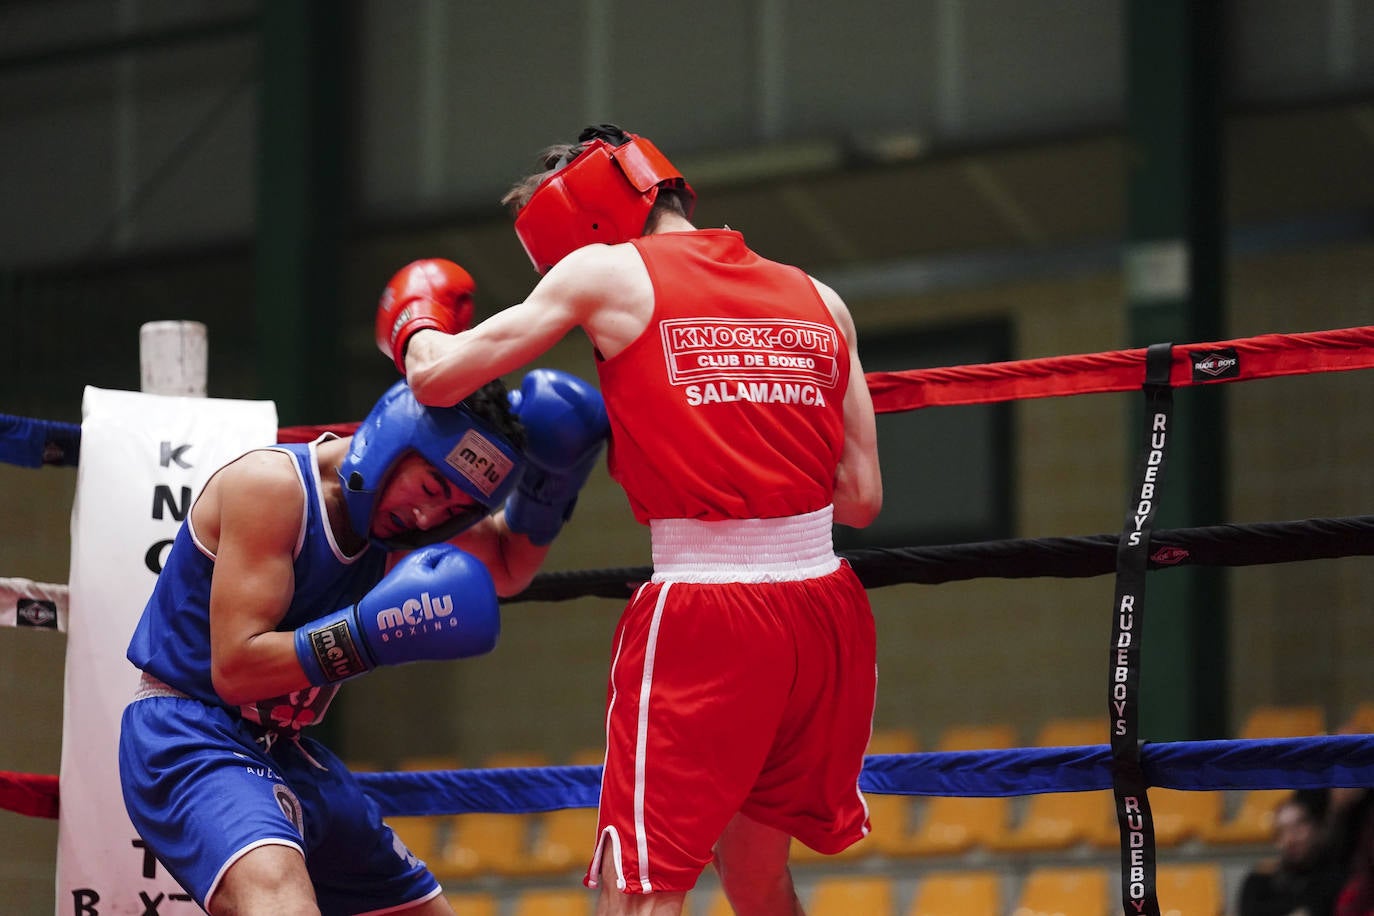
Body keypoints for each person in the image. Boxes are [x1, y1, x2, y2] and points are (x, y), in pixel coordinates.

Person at [378, 125, 883, 916]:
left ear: (584, 215)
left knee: (641, 883)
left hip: (709, 613)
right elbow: (859, 498)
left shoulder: (605, 270)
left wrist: (415, 320)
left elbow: (437, 379)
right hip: (828, 611)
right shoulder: (822, 297)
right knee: (756, 874)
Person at [118, 258, 611, 916]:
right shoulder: (271, 490)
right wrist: (370, 637)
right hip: (190, 734)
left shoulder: (409, 511)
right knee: (281, 904)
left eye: (458, 510)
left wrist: (550, 485)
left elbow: (509, 566)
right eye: (433, 490)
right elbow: (235, 668)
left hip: (287, 751)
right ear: (393, 440)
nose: (431, 518)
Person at [1238, 789, 1349, 916]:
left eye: (1299, 826)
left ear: (1317, 828)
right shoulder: (1258, 881)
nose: (1291, 838)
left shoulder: (1336, 879)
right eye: (1282, 831)